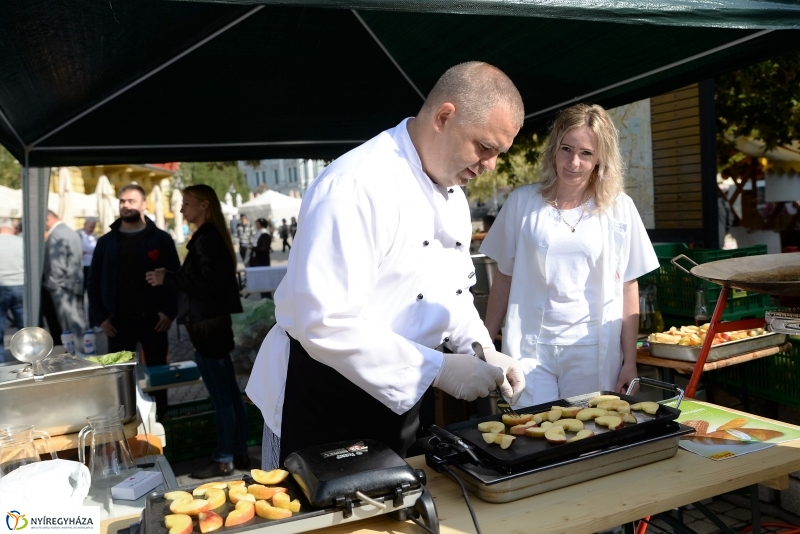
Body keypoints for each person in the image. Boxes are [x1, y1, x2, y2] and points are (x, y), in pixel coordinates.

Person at [246, 61, 527, 469]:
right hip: (324, 397)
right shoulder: (354, 185)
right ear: (444, 117)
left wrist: (482, 349)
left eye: (500, 153)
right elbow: (323, 321)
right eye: (484, 147)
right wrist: (440, 369)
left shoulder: (453, 192)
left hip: (407, 394)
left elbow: (453, 291)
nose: (491, 165)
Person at [480, 103, 658, 407]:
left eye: (586, 153)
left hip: (591, 349)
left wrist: (630, 362)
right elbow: (504, 278)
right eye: (566, 149)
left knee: (588, 429)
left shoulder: (619, 208)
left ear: (600, 158)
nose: (574, 162)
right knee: (532, 427)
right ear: (554, 149)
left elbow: (629, 286)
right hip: (529, 349)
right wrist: (486, 347)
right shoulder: (522, 203)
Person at [146, 184, 248, 478]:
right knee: (229, 393)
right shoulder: (208, 237)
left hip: (208, 328)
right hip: (210, 326)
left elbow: (207, 285)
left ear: (204, 205)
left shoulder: (208, 239)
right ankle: (238, 452)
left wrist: (168, 278)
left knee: (222, 397)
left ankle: (224, 458)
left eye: (187, 203)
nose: (181, 209)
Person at [88, 184, 180, 407]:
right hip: (117, 322)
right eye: (122, 201)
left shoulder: (161, 239)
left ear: (144, 205)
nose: (126, 205)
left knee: (158, 377)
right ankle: (125, 419)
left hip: (154, 321)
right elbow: (93, 282)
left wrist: (169, 312)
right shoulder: (106, 242)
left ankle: (161, 417)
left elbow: (176, 279)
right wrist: (101, 317)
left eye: (131, 201)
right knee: (119, 380)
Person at [42, 210, 86, 347]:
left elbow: (57, 266)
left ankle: (76, 353)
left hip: (63, 288)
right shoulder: (70, 231)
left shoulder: (56, 234)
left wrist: (52, 285)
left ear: (47, 220)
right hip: (74, 283)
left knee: (68, 326)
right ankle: (80, 350)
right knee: (76, 322)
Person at [0, 218, 24, 363]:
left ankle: (1, 366)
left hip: (1, 285)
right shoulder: (21, 242)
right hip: (20, 285)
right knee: (25, 328)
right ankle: (29, 360)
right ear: (12, 227)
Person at [78, 218, 97, 294]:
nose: (91, 229)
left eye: (93, 227)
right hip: (81, 266)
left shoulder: (95, 237)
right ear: (85, 225)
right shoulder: (78, 235)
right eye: (90, 227)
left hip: (92, 266)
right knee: (81, 288)